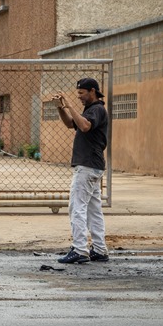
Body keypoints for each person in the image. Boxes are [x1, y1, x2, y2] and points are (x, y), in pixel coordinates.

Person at [51, 78, 109, 264]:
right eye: (77, 95)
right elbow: (71, 124)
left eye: (82, 93)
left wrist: (68, 105)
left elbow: (84, 126)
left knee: (77, 207)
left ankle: (80, 250)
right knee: (93, 209)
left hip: (87, 166)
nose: (79, 97)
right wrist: (61, 107)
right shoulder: (90, 110)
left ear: (92, 91)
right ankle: (99, 249)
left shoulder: (97, 109)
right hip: (92, 166)